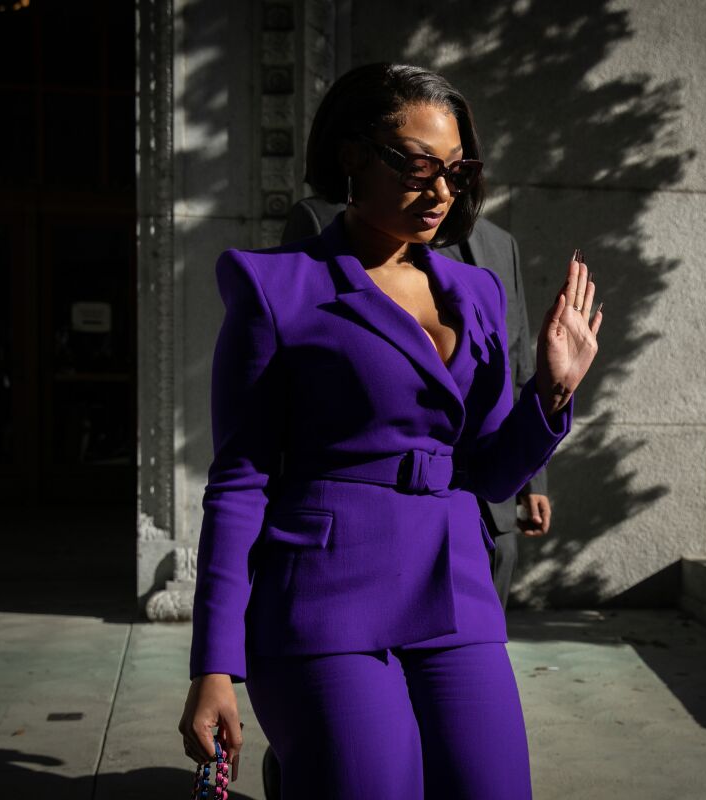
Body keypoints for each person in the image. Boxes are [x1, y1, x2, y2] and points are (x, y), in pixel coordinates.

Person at [178, 62, 602, 799]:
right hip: (322, 595)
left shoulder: (475, 290)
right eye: (416, 165)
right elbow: (240, 481)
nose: (441, 190)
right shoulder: (275, 288)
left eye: (456, 170)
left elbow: (488, 472)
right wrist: (214, 664)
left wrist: (552, 391)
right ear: (351, 156)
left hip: (455, 587)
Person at [279, 196, 555, 612]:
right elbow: (294, 384)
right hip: (380, 512)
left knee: (479, 649)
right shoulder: (322, 219)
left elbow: (515, 363)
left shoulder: (501, 244)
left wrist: (534, 480)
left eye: (459, 163)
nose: (442, 182)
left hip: (489, 503)